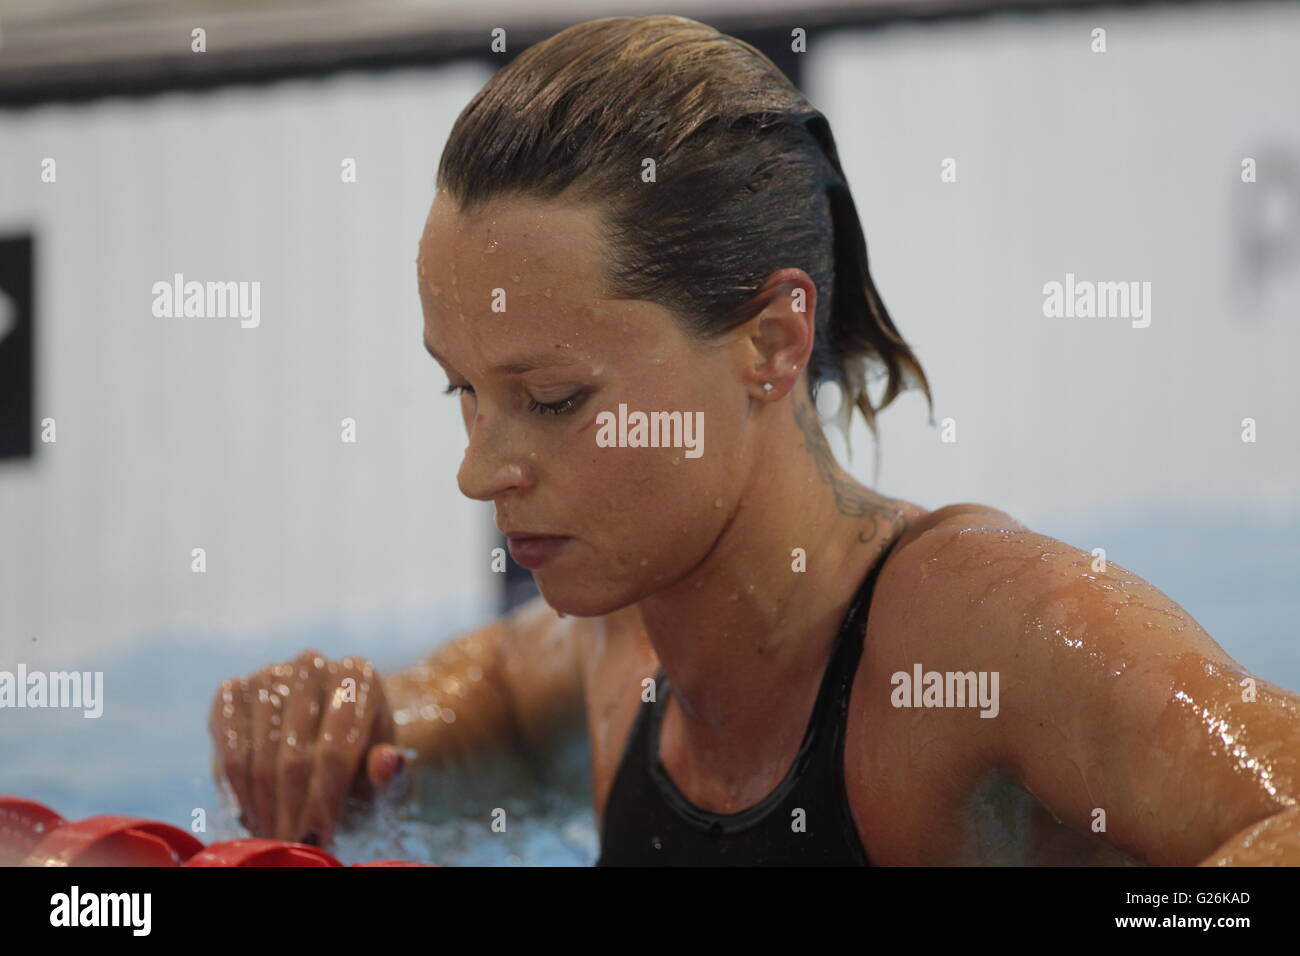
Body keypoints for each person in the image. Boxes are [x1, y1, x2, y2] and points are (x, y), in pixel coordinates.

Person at [208, 15, 1300, 865]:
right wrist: (327, 720)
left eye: (551, 397)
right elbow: (469, 700)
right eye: (463, 390)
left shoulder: (994, 639)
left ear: (771, 342)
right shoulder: (613, 650)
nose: (478, 468)